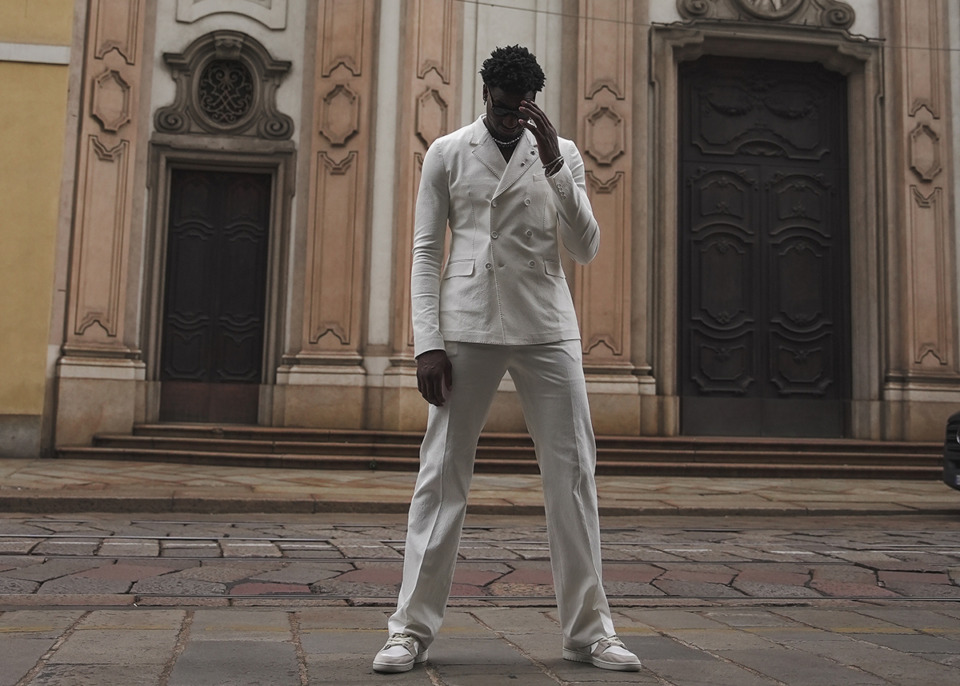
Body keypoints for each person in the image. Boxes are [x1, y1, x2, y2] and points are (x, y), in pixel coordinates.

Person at [373, 45, 641, 674]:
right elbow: (423, 252)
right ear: (484, 91)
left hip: (546, 324)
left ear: (532, 104)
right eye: (497, 107)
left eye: (517, 112)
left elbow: (587, 248)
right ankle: (409, 629)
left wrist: (553, 165)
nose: (504, 120)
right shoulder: (446, 152)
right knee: (440, 477)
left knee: (573, 476)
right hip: (467, 320)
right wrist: (427, 343)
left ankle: (589, 632)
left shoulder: (562, 152)